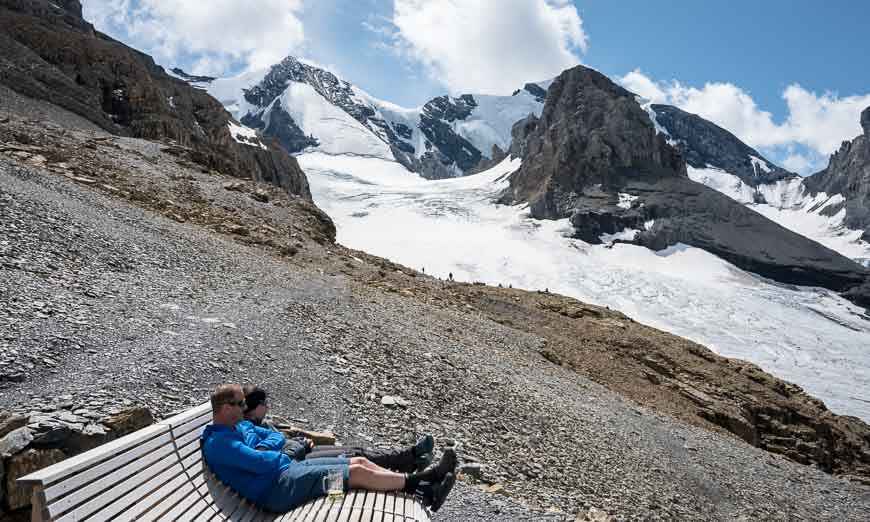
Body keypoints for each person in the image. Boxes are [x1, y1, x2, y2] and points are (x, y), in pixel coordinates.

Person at [201, 384, 456, 513]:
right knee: (354, 474)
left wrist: (271, 451)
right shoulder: (219, 443)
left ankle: (421, 483)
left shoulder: (234, 430)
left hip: (288, 473)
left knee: (358, 464)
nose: (244, 407)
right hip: (279, 491)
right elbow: (262, 461)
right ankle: (425, 486)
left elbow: (273, 442)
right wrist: (271, 452)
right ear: (225, 408)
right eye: (240, 404)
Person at [239, 385, 434, 473]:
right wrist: (301, 446)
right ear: (254, 407)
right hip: (298, 461)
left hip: (304, 451)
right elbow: (268, 455)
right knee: (354, 456)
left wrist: (303, 438)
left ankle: (410, 462)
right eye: (264, 403)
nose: (268, 406)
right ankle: (411, 458)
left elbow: (286, 437)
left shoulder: (263, 424)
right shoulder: (249, 430)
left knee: (356, 451)